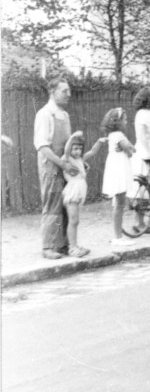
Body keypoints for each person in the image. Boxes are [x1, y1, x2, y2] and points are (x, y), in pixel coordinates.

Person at [34, 76, 75, 259]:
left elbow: (69, 144)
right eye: (64, 91)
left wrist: (77, 161)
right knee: (52, 205)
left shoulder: (65, 115)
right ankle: (48, 247)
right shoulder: (44, 114)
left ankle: (64, 244)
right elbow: (42, 147)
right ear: (52, 92)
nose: (68, 94)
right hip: (50, 166)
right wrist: (61, 163)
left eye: (69, 91)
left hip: (65, 166)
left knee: (67, 204)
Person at [61, 131, 104, 257]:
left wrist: (99, 142)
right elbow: (66, 150)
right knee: (73, 220)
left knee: (76, 221)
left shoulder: (80, 159)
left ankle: (74, 245)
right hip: (72, 192)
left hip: (79, 192)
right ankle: (72, 248)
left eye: (79, 149)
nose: (77, 152)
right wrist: (73, 136)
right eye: (75, 149)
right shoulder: (67, 158)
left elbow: (92, 152)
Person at [101, 107, 135, 246]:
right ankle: (117, 237)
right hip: (119, 168)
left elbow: (130, 148)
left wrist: (129, 149)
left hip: (118, 167)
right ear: (118, 121)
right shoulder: (118, 135)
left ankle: (118, 235)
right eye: (125, 120)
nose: (126, 122)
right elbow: (131, 150)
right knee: (120, 203)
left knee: (119, 203)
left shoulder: (113, 135)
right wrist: (129, 150)